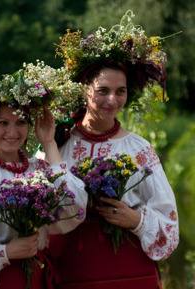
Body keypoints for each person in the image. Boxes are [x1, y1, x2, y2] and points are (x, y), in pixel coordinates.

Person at [44, 10, 179, 289]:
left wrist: (137, 220)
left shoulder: (139, 149)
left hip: (128, 271)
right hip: (70, 270)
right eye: (103, 90)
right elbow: (36, 204)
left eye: (121, 91)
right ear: (85, 89)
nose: (112, 100)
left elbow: (169, 223)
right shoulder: (57, 143)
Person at [0, 71, 87, 289]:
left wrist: (49, 143)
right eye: (3, 122)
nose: (12, 132)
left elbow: (76, 208)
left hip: (34, 277)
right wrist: (6, 252)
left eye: (21, 122)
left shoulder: (38, 168)